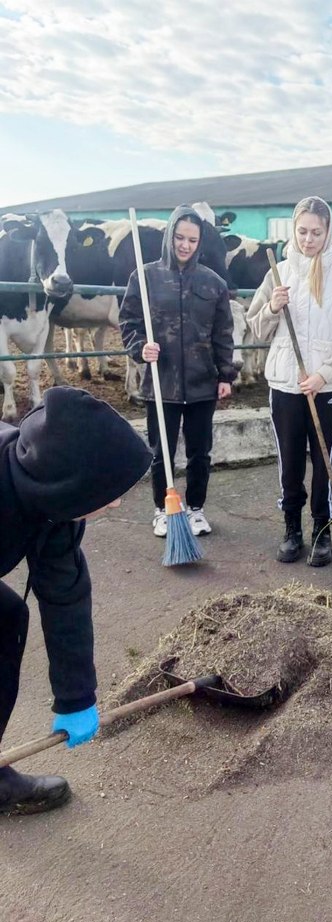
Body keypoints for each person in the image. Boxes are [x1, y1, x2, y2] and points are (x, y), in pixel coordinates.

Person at [0, 387, 152, 815]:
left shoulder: (53, 501)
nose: (118, 502)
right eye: (108, 491)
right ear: (73, 482)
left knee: (7, 618)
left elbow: (65, 594)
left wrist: (76, 696)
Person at [246, 196, 332, 566]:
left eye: (316, 232)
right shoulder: (277, 274)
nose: (309, 239)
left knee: (324, 461)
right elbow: (256, 328)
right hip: (286, 384)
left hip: (327, 387)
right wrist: (272, 307)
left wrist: (323, 375)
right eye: (302, 231)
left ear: (328, 231)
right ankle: (291, 529)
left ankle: (322, 531)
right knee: (291, 462)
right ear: (293, 230)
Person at [120, 204, 236, 539]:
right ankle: (164, 509)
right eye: (180, 237)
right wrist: (140, 346)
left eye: (192, 240)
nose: (185, 245)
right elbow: (128, 322)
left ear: (200, 243)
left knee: (201, 452)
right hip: (161, 383)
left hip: (203, 383)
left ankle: (196, 508)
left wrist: (225, 375)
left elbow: (223, 333)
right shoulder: (145, 277)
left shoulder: (213, 283)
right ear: (170, 236)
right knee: (161, 452)